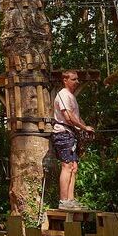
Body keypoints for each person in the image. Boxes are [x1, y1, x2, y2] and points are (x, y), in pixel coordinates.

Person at [52, 70, 94, 210]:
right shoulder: (63, 94)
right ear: (65, 80)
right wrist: (83, 127)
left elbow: (76, 117)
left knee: (73, 168)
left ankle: (70, 200)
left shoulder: (71, 96)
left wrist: (85, 127)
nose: (77, 82)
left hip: (70, 134)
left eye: (77, 79)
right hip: (63, 133)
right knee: (67, 166)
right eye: (74, 79)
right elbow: (68, 117)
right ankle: (63, 201)